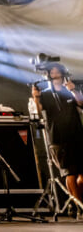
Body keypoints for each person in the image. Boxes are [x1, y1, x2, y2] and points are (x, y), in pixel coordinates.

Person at [31, 63, 83, 208]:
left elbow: (81, 103)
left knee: (81, 175)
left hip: (77, 135)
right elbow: (38, 113)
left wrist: (73, 90)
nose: (55, 75)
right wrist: (36, 98)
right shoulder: (45, 94)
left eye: (57, 72)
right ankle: (79, 207)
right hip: (58, 139)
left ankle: (77, 202)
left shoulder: (70, 90)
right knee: (70, 173)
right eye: (52, 72)